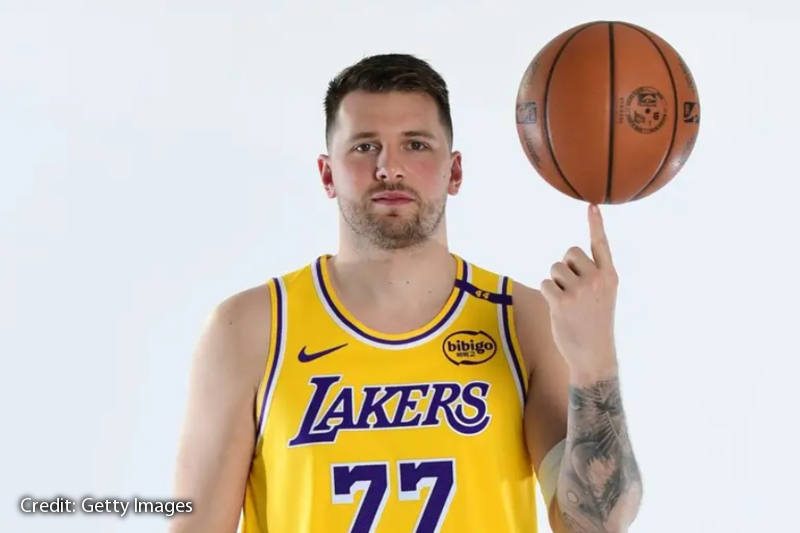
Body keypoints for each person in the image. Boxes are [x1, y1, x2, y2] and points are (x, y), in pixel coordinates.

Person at [169, 53, 643, 533]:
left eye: (415, 144)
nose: (389, 167)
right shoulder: (251, 328)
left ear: (455, 172)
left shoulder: (523, 321)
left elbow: (595, 526)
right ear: (327, 175)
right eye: (364, 146)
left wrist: (595, 362)